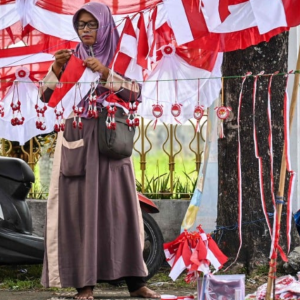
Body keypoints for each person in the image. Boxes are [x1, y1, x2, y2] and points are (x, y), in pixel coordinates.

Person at [40, 2, 160, 300]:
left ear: (104, 25)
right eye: (81, 25)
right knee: (80, 212)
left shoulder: (122, 54)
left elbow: (135, 92)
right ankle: (84, 286)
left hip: (112, 139)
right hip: (77, 141)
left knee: (122, 211)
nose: (85, 30)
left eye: (91, 24)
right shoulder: (71, 57)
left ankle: (136, 282)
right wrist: (57, 68)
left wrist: (106, 72)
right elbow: (46, 97)